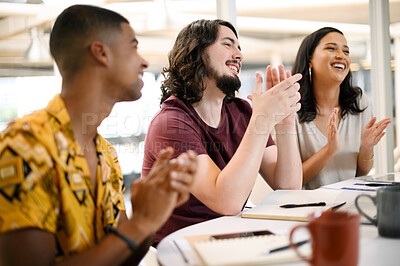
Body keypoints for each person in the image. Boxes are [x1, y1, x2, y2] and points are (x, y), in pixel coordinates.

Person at [0, 5, 197, 266]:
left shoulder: (106, 155)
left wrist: (153, 214)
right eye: (133, 46)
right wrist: (140, 224)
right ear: (101, 53)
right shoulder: (25, 144)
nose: (144, 61)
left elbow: (120, 257)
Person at [142, 19, 303, 245]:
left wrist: (285, 123)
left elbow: (289, 187)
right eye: (228, 44)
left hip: (228, 239)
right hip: (181, 249)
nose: (239, 55)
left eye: (239, 48)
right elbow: (227, 202)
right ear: (197, 52)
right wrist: (262, 119)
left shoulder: (242, 112)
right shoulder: (170, 122)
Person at [292, 27, 391, 189]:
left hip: (350, 205)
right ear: (310, 58)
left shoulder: (360, 103)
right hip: (307, 210)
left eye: (346, 51)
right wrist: (329, 150)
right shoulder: (292, 108)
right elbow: (292, 182)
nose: (341, 56)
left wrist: (367, 148)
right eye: (331, 48)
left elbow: (360, 175)